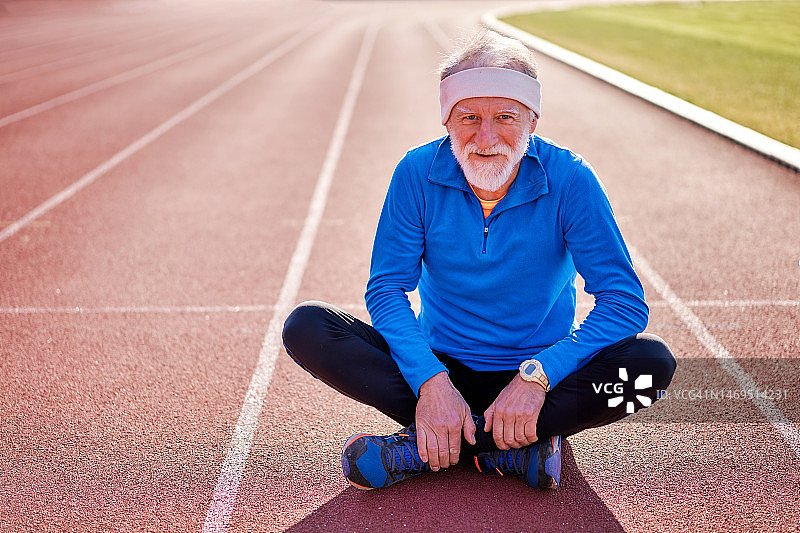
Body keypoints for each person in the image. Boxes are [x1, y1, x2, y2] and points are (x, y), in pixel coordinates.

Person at [282, 30, 676, 491]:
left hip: (540, 381)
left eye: (504, 116)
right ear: (447, 121)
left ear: (532, 120)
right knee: (306, 327)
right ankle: (506, 449)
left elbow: (624, 303)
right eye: (469, 117)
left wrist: (539, 376)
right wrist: (431, 382)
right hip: (439, 368)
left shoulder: (571, 179)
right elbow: (387, 289)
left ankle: (425, 450)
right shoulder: (416, 172)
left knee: (651, 368)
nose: (486, 136)